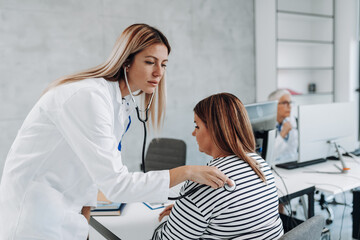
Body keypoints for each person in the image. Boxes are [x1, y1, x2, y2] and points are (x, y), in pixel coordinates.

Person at [0, 24, 232, 239]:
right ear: (126, 62)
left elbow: (96, 171)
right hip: (36, 217)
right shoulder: (89, 97)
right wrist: (188, 171)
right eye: (150, 62)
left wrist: (86, 213)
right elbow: (116, 183)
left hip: (66, 211)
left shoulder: (119, 105)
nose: (159, 73)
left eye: (163, 64)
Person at [152, 93, 284, 240]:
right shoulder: (260, 165)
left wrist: (169, 221)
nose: (193, 133)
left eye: (197, 126)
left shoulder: (206, 182)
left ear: (214, 130)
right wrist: (184, 214)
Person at [268, 89, 298, 163]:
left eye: (290, 103)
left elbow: (293, 151)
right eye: (285, 103)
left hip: (290, 163)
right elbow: (269, 156)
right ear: (274, 105)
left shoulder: (291, 121)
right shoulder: (265, 127)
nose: (289, 106)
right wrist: (283, 134)